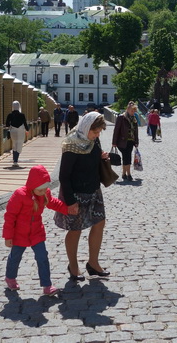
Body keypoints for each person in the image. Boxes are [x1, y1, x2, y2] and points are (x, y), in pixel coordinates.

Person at [53, 112, 111, 281]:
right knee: (75, 230)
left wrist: (101, 156)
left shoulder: (94, 141)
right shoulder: (71, 144)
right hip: (75, 194)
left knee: (99, 223)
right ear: (86, 128)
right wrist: (70, 201)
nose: (97, 135)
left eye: (99, 132)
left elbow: (93, 156)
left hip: (93, 190)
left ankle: (93, 263)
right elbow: (64, 176)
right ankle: (73, 266)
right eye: (95, 132)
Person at [3, 165, 77, 296]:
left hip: (37, 232)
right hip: (19, 234)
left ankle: (47, 285)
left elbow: (53, 203)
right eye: (40, 190)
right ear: (32, 186)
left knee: (42, 257)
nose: (43, 192)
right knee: (15, 257)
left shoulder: (44, 193)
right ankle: (10, 277)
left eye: (45, 189)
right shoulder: (20, 195)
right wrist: (8, 236)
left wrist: (67, 209)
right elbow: (10, 216)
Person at [112, 101, 139, 181]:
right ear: (127, 109)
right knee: (127, 157)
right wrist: (114, 142)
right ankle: (129, 174)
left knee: (126, 157)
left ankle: (124, 174)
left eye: (134, 111)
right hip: (122, 141)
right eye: (132, 110)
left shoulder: (134, 118)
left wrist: (136, 141)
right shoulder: (121, 117)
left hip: (130, 141)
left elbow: (136, 131)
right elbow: (116, 130)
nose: (133, 112)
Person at [6, 101, 29, 167]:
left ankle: (14, 160)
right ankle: (16, 160)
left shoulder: (10, 115)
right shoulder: (22, 115)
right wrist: (27, 130)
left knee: (14, 144)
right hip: (21, 131)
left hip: (13, 131)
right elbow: (25, 123)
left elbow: (7, 124)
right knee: (19, 145)